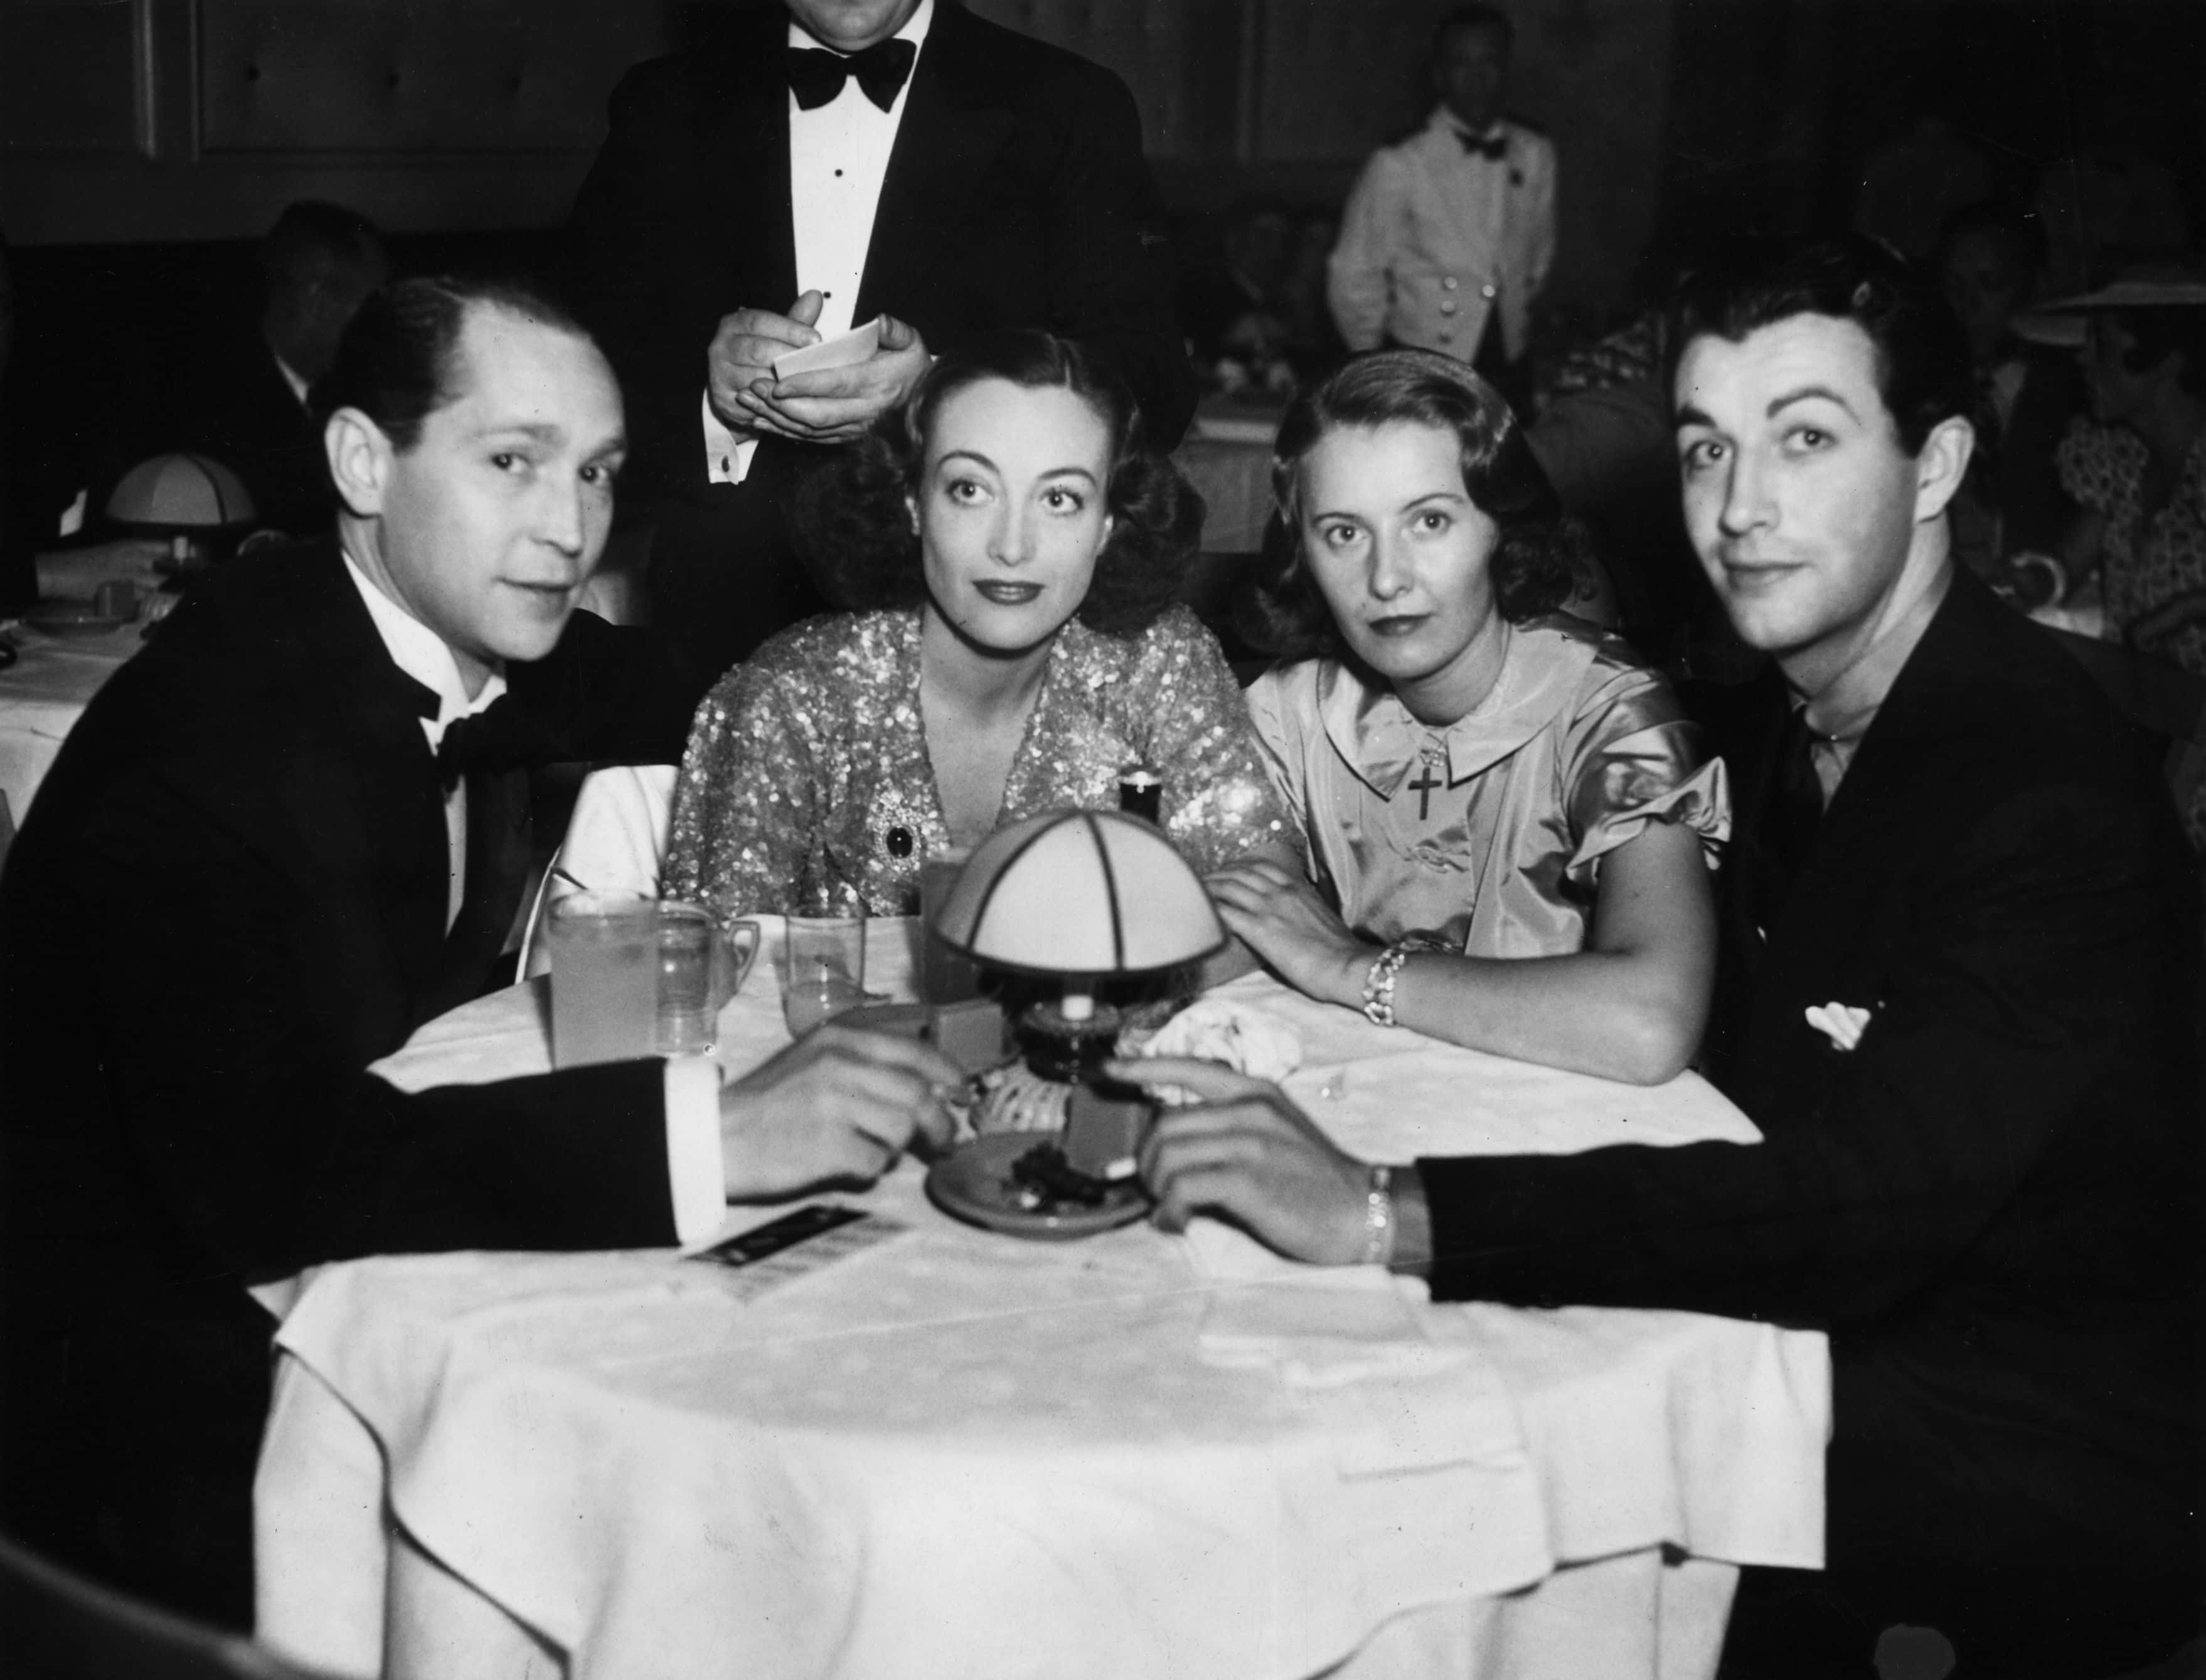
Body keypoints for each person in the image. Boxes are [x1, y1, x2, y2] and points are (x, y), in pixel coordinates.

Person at [1124, 238, 2203, 1677]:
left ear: (1936, 465)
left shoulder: (2035, 786)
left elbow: (1852, 1203)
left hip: (1998, 1468)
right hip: (1817, 1345)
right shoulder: (1792, 719)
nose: (1739, 508)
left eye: (1804, 440)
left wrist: (1386, 1209)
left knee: (1352, 1516)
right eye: (1707, 449)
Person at [0, 275, 961, 1627]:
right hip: (133, 1433)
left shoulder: (430, 626)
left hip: (324, 1255)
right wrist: (722, 1132)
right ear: (361, 462)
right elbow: (284, 1173)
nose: (569, 528)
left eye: (598, 473)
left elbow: (685, 686)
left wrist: (946, 685)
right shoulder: (213, 739)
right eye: (513, 462)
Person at [565, 0, 1196, 695]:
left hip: (986, 639)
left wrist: (942, 393)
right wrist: (712, 399)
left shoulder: (1069, 102)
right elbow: (568, 377)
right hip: (725, 631)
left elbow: (1152, 382)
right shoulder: (667, 102)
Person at [663, 330, 1295, 926]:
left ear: (1108, 524)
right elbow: (712, 965)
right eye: (971, 490)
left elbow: (1273, 896)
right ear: (912, 502)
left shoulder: (1160, 661)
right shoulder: (791, 698)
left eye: (1059, 499)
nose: (1012, 547)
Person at [1217, 351, 1722, 1085]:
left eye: (1429, 521)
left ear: (1499, 526)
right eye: (1345, 533)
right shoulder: (1286, 713)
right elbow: (1229, 944)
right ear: (1303, 551)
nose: (1387, 578)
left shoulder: (1608, 709)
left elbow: (1651, 1022)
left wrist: (1349, 967)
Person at [1326, 4, 1556, 411]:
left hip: (1507, 361)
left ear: (1507, 69)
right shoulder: (1401, 161)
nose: (1477, 79)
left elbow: (1538, 258)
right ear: (1439, 75)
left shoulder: (1534, 152)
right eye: (1461, 64)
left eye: (1489, 63)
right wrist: (1375, 360)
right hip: (1426, 359)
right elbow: (1353, 272)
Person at [2050, 264, 2206, 848]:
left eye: (2101, 344)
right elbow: (2064, 566)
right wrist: (2033, 579)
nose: (2082, 358)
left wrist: (2191, 605)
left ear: (2164, 360)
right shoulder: (2120, 459)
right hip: (2152, 730)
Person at [179, 201, 392, 541]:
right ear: (318, 301)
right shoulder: (214, 404)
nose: (379, 325)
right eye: (370, 304)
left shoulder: (358, 394)